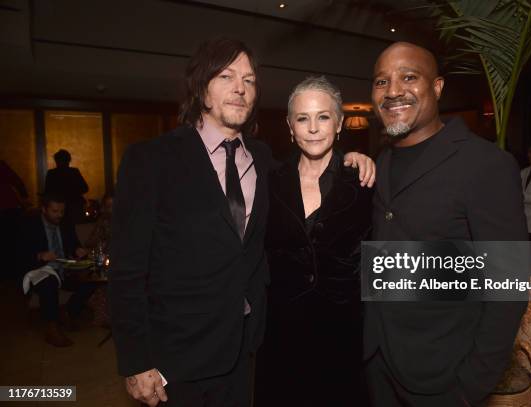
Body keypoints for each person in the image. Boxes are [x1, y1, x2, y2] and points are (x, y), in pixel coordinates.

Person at [109, 38, 375, 407]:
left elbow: (311, 178)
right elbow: (127, 269)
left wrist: (354, 157)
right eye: (226, 76)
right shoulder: (152, 160)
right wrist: (136, 360)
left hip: (248, 352)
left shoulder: (266, 162)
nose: (239, 88)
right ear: (202, 88)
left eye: (249, 80)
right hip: (177, 359)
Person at [363, 42, 528, 406]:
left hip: (444, 378)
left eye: (409, 77)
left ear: (437, 88)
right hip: (379, 365)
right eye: (381, 81)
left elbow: (509, 287)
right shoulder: (382, 162)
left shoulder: (486, 164)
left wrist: (469, 388)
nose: (393, 91)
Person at [257, 77, 372, 406]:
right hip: (282, 334)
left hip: (344, 337)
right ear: (290, 125)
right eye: (302, 118)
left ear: (339, 123)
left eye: (323, 116)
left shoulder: (364, 180)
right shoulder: (271, 180)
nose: (312, 128)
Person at [18, 194, 94, 347]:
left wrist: (78, 251)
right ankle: (52, 329)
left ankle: (68, 312)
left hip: (64, 269)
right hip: (40, 271)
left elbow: (73, 246)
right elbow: (18, 255)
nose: (59, 215)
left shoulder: (65, 223)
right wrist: (39, 255)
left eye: (62, 211)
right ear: (44, 209)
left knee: (93, 278)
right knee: (48, 282)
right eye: (55, 211)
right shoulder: (30, 225)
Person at [44, 149, 89, 224]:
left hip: (58, 208)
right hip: (74, 206)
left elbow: (47, 192)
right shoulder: (74, 172)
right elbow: (85, 188)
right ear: (69, 160)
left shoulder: (51, 174)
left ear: (56, 161)